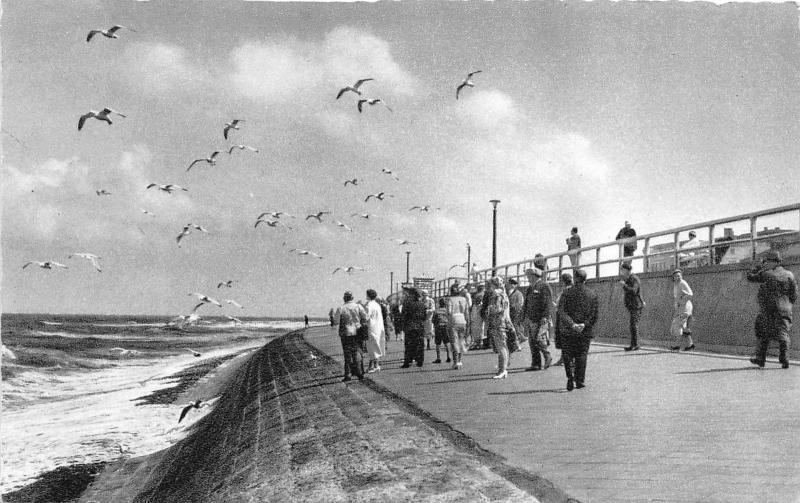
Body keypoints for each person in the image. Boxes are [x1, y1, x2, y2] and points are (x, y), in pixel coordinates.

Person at [747, 250, 796, 369]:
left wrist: (757, 267)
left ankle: (760, 358)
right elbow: (794, 294)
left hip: (769, 309)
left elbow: (750, 277)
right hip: (785, 309)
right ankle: (785, 358)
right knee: (783, 333)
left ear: (773, 262)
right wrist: (788, 304)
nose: (766, 264)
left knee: (762, 332)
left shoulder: (767, 274)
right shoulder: (790, 274)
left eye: (766, 262)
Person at [558, 269, 599, 391]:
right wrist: (584, 325)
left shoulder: (566, 293)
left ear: (574, 278)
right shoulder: (592, 294)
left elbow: (562, 311)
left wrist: (572, 324)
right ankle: (580, 380)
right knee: (582, 354)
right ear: (585, 279)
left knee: (568, 354)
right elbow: (594, 315)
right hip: (584, 331)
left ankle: (570, 377)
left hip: (568, 330)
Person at [522, 267, 553, 371]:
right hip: (531, 318)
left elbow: (548, 303)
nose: (527, 278)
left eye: (528, 276)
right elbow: (526, 304)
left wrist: (545, 316)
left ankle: (547, 356)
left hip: (540, 318)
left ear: (534, 276)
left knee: (538, 339)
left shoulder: (544, 286)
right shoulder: (530, 288)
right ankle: (536, 364)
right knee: (532, 342)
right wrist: (524, 317)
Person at [334, 291, 368, 381]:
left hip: (345, 333)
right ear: (352, 298)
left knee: (347, 354)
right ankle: (360, 373)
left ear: (344, 298)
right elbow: (365, 317)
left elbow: (336, 321)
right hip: (357, 332)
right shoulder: (358, 306)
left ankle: (348, 375)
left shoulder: (340, 308)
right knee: (357, 352)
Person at [485, 276, 510, 379]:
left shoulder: (496, 294)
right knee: (502, 346)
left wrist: (489, 309)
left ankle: (502, 370)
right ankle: (502, 369)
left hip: (498, 322)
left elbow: (498, 308)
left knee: (501, 346)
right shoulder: (503, 293)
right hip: (503, 321)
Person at [618, 262, 644, 351]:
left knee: (634, 325)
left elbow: (634, 291)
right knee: (632, 325)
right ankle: (633, 344)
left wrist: (624, 285)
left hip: (636, 305)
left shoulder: (634, 278)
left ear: (626, 270)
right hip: (632, 306)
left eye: (622, 269)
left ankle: (635, 345)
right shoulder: (629, 278)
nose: (621, 271)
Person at [400, 287, 428, 367]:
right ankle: (420, 361)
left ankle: (407, 362)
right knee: (420, 344)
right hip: (420, 326)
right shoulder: (422, 304)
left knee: (409, 345)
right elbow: (424, 317)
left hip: (410, 326)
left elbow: (403, 316)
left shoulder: (407, 304)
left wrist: (404, 325)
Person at [669, 270, 695, 351]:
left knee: (677, 324)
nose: (677, 277)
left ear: (681, 276)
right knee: (684, 327)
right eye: (675, 276)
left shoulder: (682, 283)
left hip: (685, 307)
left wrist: (681, 301)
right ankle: (690, 345)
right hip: (681, 308)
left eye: (679, 275)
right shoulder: (676, 284)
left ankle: (677, 345)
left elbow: (690, 294)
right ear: (673, 277)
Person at [552, 272, 574, 366]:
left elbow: (561, 305)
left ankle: (566, 359)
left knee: (564, 338)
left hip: (563, 317)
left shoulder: (565, 292)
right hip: (567, 316)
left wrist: (555, 305)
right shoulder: (571, 290)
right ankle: (566, 359)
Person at [447, 284, 469, 369]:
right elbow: (467, 312)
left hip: (453, 320)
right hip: (462, 320)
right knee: (461, 341)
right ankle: (460, 361)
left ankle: (455, 362)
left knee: (454, 342)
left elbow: (449, 312)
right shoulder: (464, 299)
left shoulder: (450, 299)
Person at [365, 289, 386, 373]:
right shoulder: (377, 305)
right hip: (379, 327)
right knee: (376, 345)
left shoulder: (368, 305)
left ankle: (376, 365)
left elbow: (366, 317)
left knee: (372, 347)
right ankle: (372, 366)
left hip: (371, 327)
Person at [432, 298, 452, 363]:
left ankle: (438, 358)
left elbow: (433, 320)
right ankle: (448, 356)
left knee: (438, 343)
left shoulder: (436, 311)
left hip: (438, 327)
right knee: (447, 342)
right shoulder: (447, 311)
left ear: (439, 304)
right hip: (445, 327)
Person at [469, 283, 486, 350]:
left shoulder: (475, 295)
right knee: (481, 327)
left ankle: (477, 342)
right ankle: (480, 342)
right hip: (479, 312)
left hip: (475, 311)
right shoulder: (482, 295)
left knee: (476, 327)